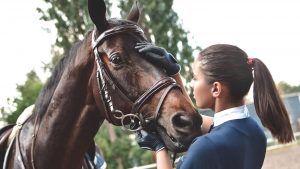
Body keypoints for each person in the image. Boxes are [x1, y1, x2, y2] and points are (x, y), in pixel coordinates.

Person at [135, 43, 294, 169]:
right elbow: (196, 119)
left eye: (195, 78)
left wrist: (159, 149)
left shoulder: (205, 147)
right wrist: (175, 73)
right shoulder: (253, 130)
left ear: (216, 88)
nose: (191, 84)